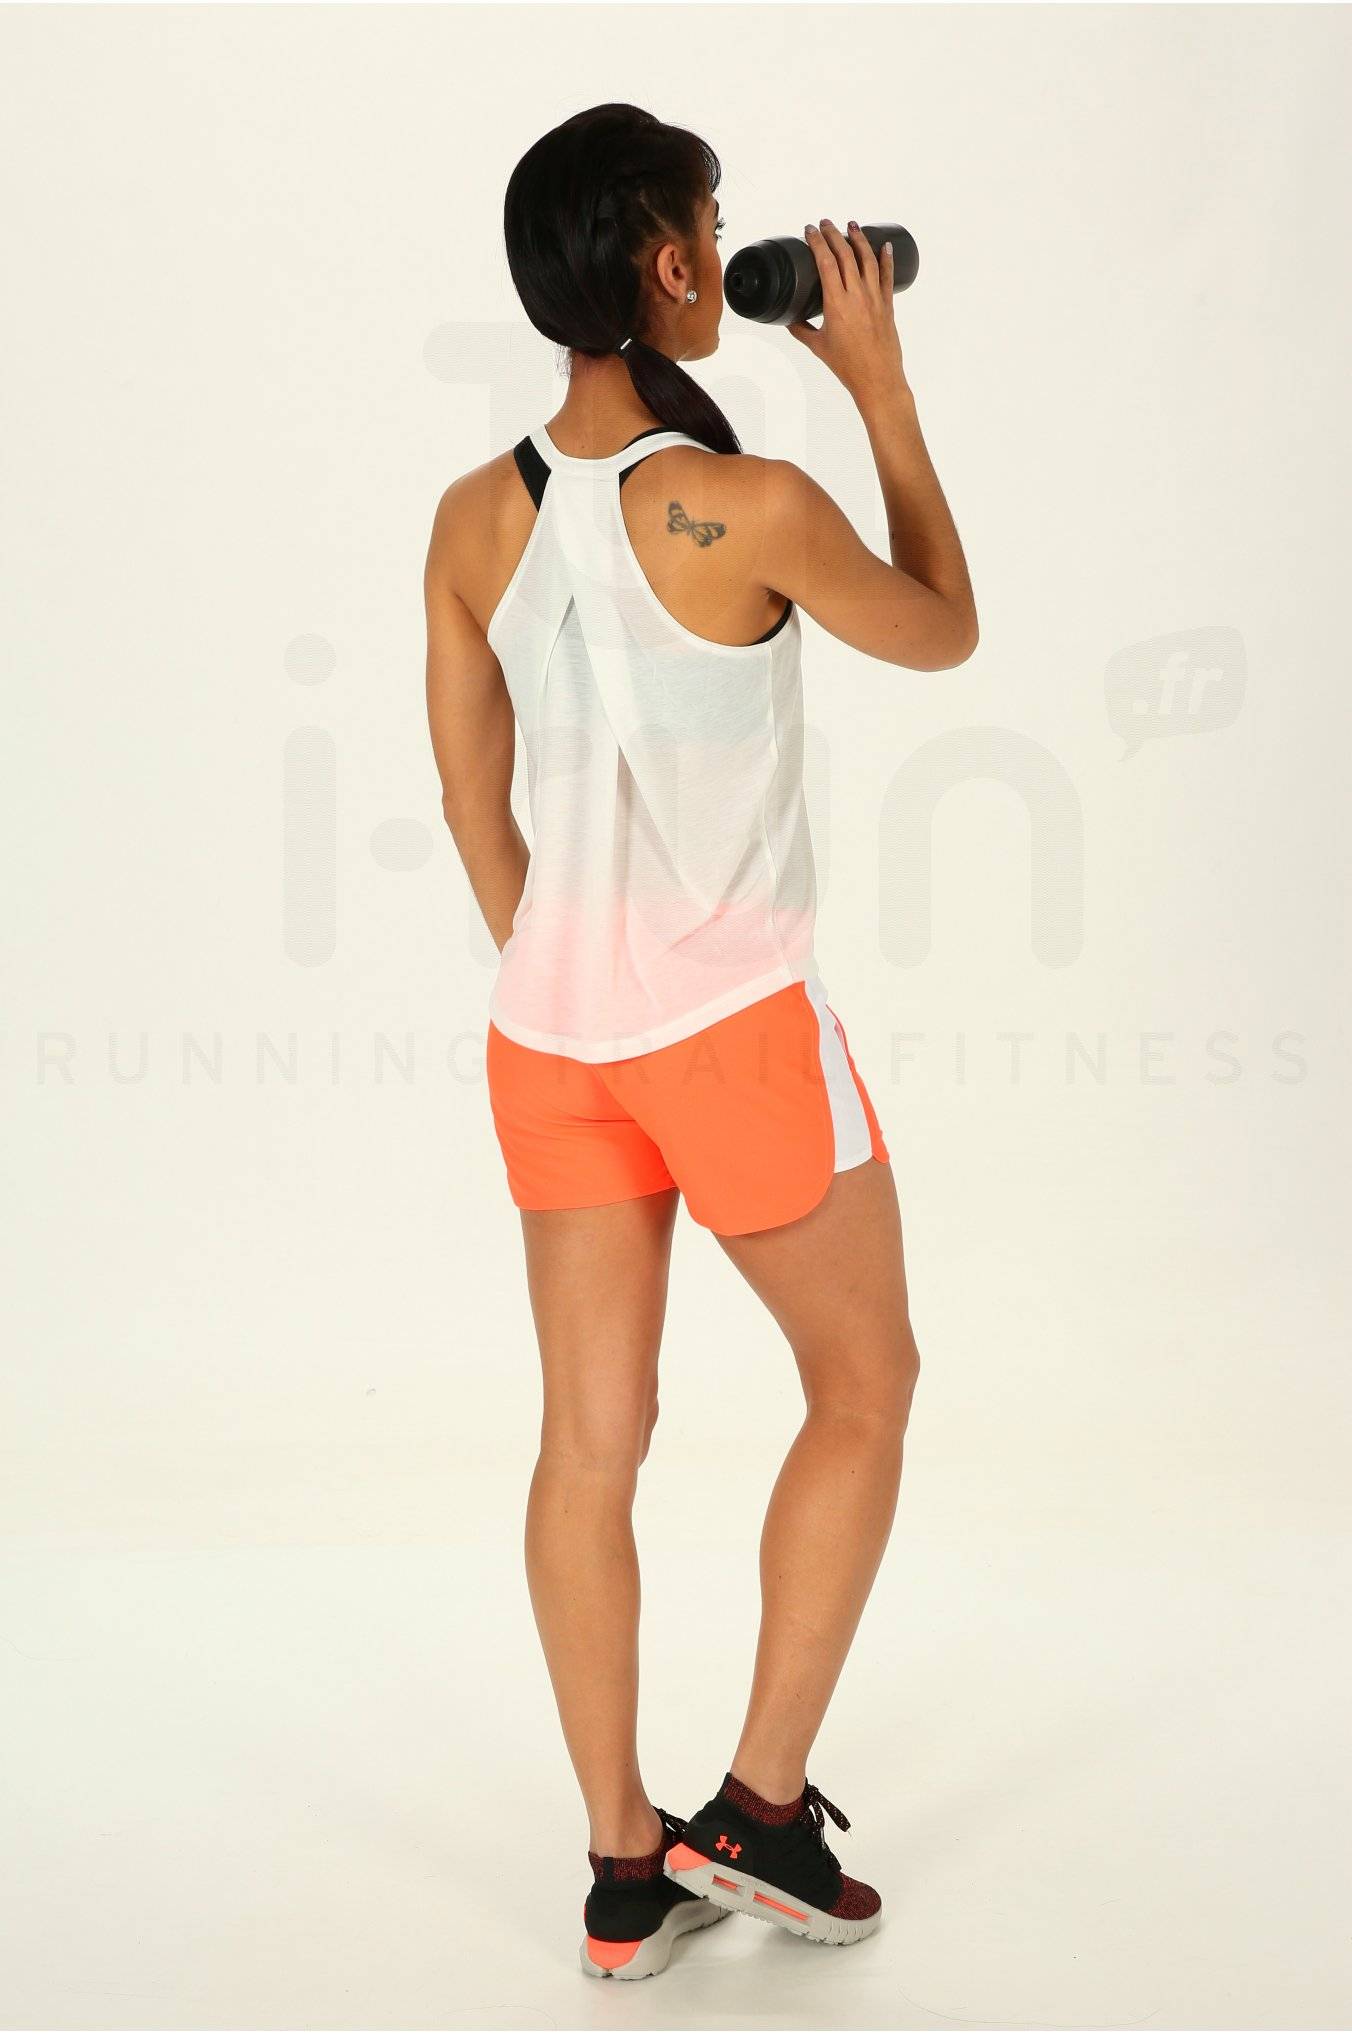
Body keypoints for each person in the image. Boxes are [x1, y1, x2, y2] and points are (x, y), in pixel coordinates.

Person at [425, 103, 976, 1979]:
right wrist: (879, 389)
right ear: (672, 264)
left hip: (549, 1038)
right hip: (729, 1027)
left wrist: (579, 963)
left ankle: (619, 1870)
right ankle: (755, 1809)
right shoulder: (752, 506)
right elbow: (944, 630)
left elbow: (473, 802)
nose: (727, 245)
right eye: (713, 222)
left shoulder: (473, 516)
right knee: (869, 1381)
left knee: (589, 1445)